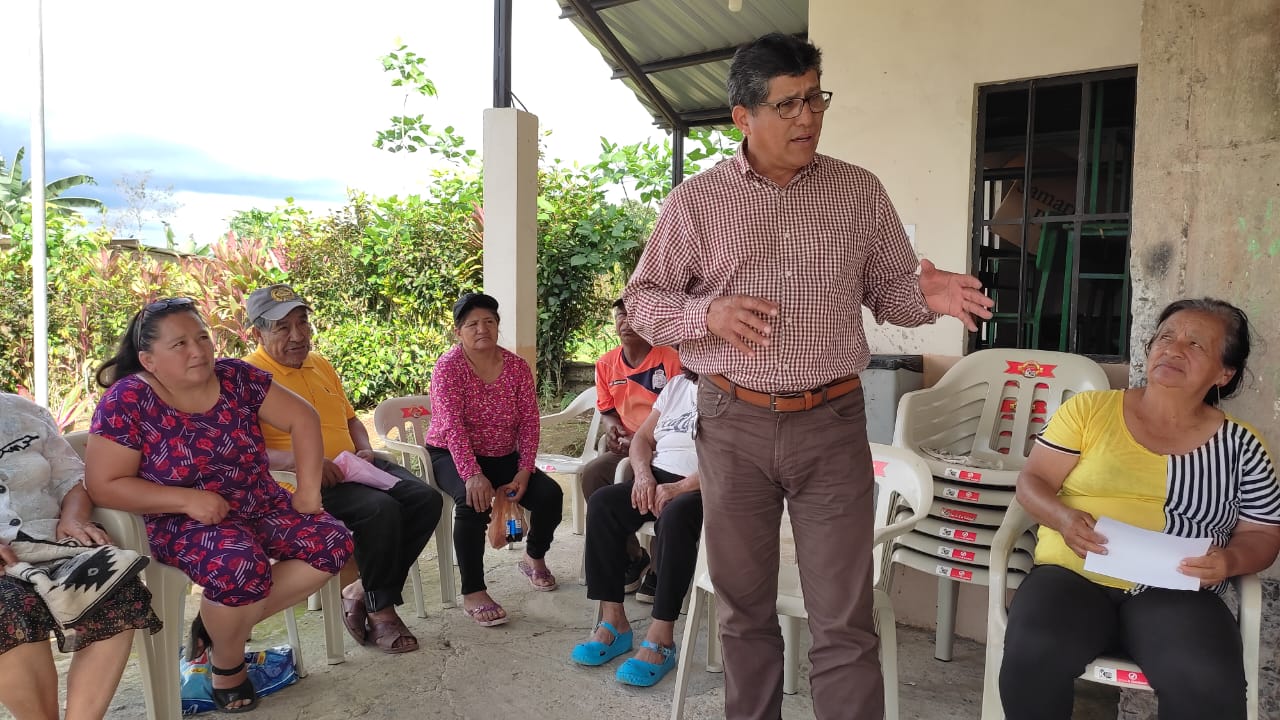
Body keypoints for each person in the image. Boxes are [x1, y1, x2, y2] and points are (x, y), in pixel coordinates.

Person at [622, 32, 994, 720]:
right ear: (743, 116)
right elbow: (642, 302)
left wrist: (928, 298)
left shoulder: (858, 191)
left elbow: (890, 292)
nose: (808, 117)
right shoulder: (697, 203)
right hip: (732, 424)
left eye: (815, 98)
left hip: (831, 422)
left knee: (844, 618)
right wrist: (707, 314)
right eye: (788, 104)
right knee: (743, 611)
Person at [1000, 298, 1280, 720]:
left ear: (1224, 372)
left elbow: (1262, 535)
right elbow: (1032, 481)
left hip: (1177, 591)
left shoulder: (1242, 446)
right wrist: (1063, 518)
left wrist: (1229, 561)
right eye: (1165, 337)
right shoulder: (1089, 410)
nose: (1173, 349)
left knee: (1206, 679)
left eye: (1195, 344)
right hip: (1072, 576)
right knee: (1035, 650)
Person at [85, 297, 354, 713]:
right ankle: (227, 665)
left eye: (203, 338)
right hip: (179, 521)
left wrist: (307, 492)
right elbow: (103, 486)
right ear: (148, 359)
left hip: (260, 502)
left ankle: (218, 622)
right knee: (240, 566)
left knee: (332, 542)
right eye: (180, 344)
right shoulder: (129, 399)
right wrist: (186, 499)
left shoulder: (236, 377)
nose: (198, 350)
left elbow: (304, 419)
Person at [243, 284, 443, 654]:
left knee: (425, 499)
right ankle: (382, 611)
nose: (298, 335)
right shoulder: (247, 377)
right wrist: (303, 461)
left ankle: (359, 589)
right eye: (283, 327)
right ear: (258, 334)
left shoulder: (320, 364)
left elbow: (351, 419)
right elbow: (245, 450)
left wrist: (364, 447)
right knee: (381, 510)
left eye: (302, 323)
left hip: (354, 466)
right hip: (301, 482)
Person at [0, 393, 162, 720]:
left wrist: (73, 518)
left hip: (52, 542)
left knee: (113, 587)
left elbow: (72, 479)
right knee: (9, 607)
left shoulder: (24, 411)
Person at [425, 292, 564, 627]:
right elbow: (452, 426)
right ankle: (474, 591)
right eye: (472, 324)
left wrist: (525, 470)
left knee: (550, 495)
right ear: (458, 332)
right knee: (471, 502)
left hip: (504, 453)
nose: (481, 329)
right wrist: (472, 474)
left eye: (489, 321)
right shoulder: (448, 368)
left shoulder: (516, 367)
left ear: (498, 326)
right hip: (452, 454)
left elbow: (529, 422)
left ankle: (533, 557)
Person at [572, 368, 701, 687]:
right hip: (658, 475)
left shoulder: (734, 387)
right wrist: (643, 475)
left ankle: (662, 639)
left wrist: (680, 488)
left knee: (675, 516)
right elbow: (643, 438)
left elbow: (734, 458)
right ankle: (614, 622)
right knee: (603, 504)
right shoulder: (678, 385)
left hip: (704, 486)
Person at [578, 298, 682, 594]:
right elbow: (607, 410)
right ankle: (632, 556)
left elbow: (682, 408)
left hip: (666, 446)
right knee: (594, 473)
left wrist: (645, 442)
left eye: (634, 315)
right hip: (626, 446)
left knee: (666, 485)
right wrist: (613, 431)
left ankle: (661, 569)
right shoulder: (606, 364)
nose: (625, 321)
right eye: (620, 315)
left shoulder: (671, 359)